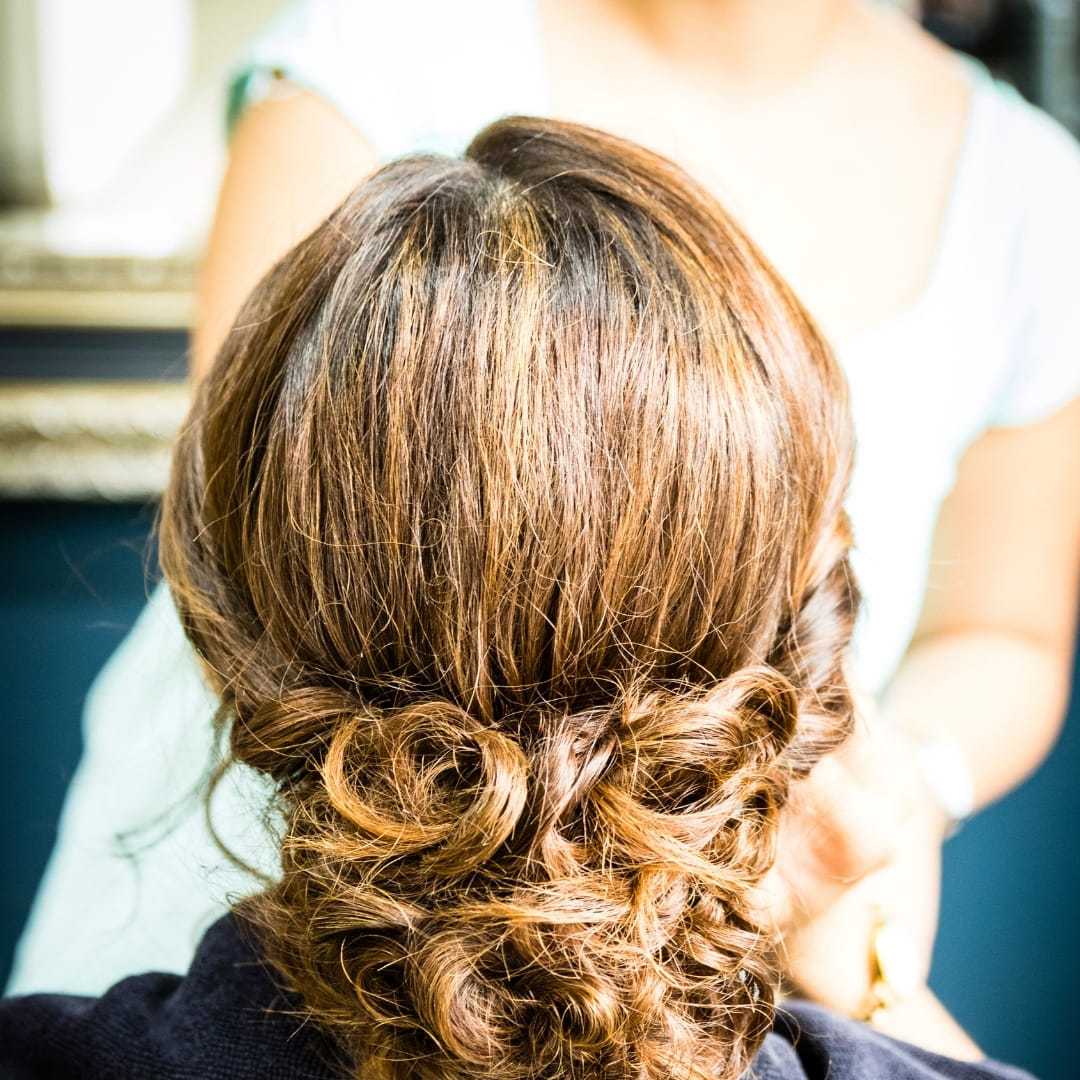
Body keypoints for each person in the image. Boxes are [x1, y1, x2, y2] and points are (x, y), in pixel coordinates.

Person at [10, 0, 1080, 1026]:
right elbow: (248, 518)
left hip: (703, 936)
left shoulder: (1029, 196)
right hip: (273, 895)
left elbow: (1005, 631)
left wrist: (900, 787)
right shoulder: (378, 48)